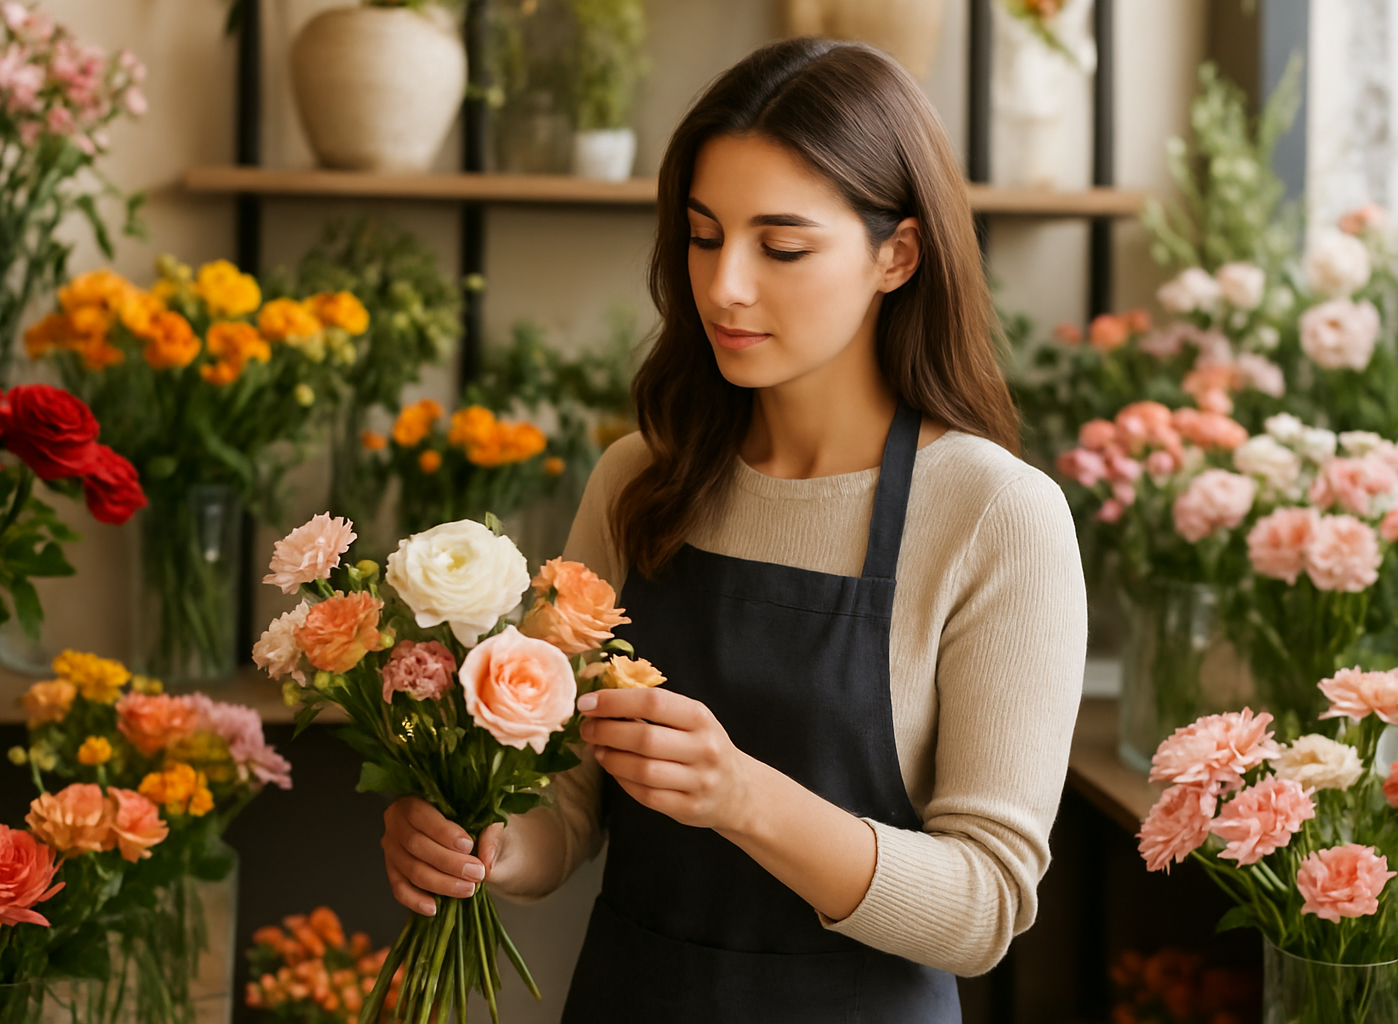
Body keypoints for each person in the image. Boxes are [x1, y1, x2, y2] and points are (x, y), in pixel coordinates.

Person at [378, 37, 1087, 1022]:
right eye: (705, 237)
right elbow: (566, 799)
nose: (724, 287)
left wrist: (741, 796)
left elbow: (985, 907)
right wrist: (485, 846)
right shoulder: (641, 478)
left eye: (781, 246)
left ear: (898, 253)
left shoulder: (995, 514)